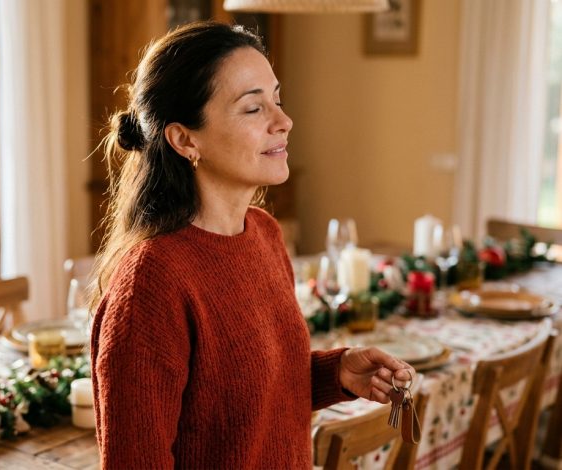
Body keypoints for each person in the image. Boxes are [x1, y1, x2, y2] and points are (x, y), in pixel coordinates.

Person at [88, 21, 414, 469]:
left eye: (276, 100)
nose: (283, 121)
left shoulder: (263, 232)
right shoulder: (151, 282)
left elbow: (239, 395)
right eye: (252, 109)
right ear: (185, 139)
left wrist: (332, 372)